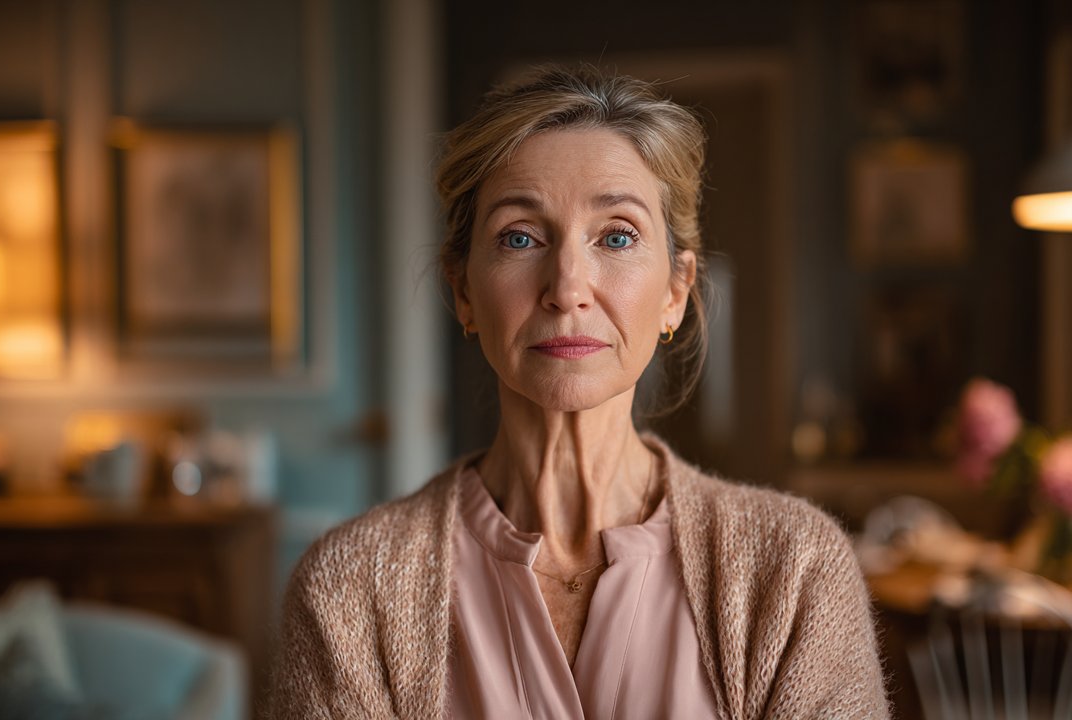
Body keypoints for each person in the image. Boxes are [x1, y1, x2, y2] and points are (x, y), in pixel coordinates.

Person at [268, 65, 889, 720]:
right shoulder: (348, 589)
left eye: (616, 236)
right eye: (520, 237)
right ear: (464, 291)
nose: (567, 287)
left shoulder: (794, 571)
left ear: (675, 291)